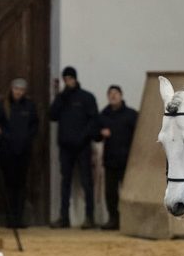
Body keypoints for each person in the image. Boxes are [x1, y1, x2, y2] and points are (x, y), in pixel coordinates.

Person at [50, 66, 99, 229]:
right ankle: (64, 218)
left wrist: (83, 137)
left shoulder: (87, 97)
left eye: (70, 78)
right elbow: (52, 115)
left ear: (75, 79)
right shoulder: (62, 98)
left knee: (87, 182)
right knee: (65, 182)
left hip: (83, 147)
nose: (68, 81)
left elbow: (93, 121)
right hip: (65, 148)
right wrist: (60, 97)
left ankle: (89, 217)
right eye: (66, 79)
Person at [0, 78, 39, 228]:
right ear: (11, 89)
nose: (18, 92)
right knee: (8, 186)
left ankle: (19, 218)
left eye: (21, 90)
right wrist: (2, 135)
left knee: (21, 186)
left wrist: (27, 139)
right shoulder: (1, 106)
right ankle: (10, 219)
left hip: (23, 152)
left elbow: (34, 125)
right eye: (16, 89)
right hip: (6, 151)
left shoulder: (30, 106)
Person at [97, 85, 137, 230]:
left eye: (116, 93)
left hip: (128, 161)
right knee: (110, 193)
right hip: (110, 161)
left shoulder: (131, 114)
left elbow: (138, 136)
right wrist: (101, 133)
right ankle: (113, 219)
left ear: (121, 95)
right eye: (110, 94)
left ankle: (130, 221)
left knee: (128, 193)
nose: (113, 96)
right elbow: (95, 135)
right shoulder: (103, 115)